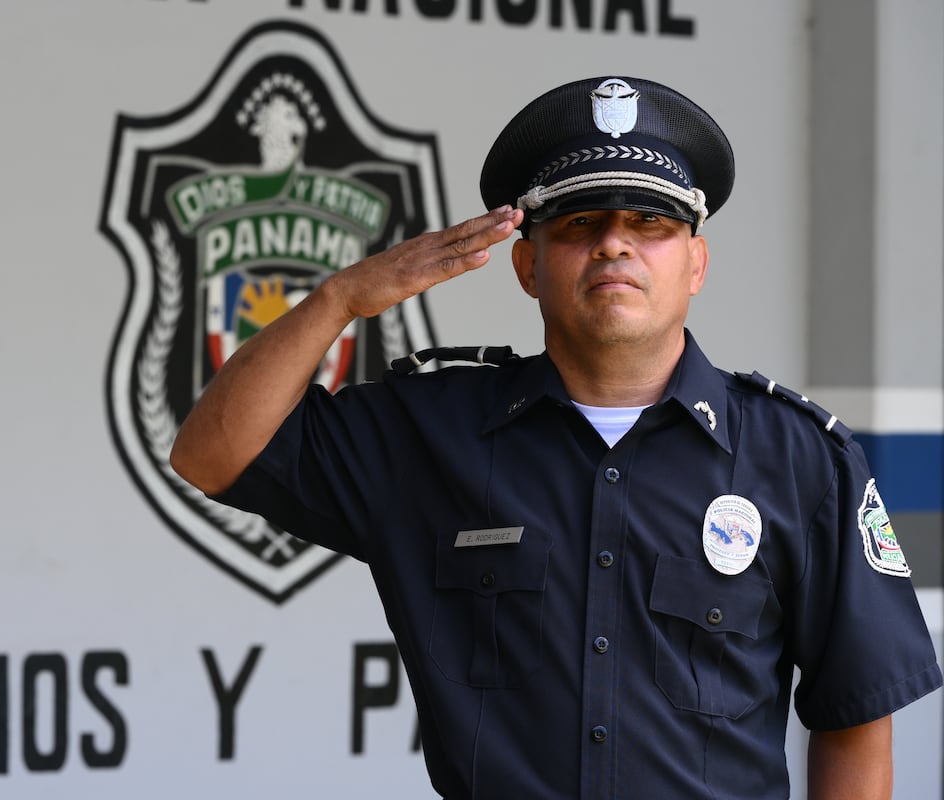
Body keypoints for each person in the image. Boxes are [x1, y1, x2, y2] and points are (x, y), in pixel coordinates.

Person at [170, 76, 942, 799]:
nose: (614, 243)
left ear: (697, 262)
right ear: (526, 265)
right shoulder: (427, 432)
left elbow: (854, 719)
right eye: (580, 223)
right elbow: (209, 454)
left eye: (650, 222)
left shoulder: (800, 457)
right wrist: (338, 299)